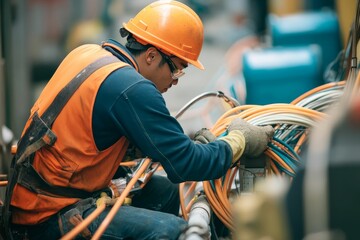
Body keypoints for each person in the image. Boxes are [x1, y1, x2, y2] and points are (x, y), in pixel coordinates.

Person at [3, 1, 274, 239]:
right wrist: (237, 141)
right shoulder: (132, 89)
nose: (175, 82)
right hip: (47, 217)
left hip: (40, 196)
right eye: (177, 70)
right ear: (152, 55)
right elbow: (187, 165)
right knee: (173, 232)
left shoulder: (90, 55)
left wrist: (188, 144)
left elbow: (102, 133)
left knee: (169, 192)